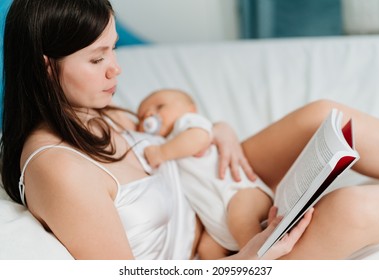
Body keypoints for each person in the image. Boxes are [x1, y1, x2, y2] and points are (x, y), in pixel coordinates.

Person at [0, 0, 315, 260]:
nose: (115, 68)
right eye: (97, 59)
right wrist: (248, 258)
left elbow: (174, 133)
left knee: (321, 115)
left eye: (113, 49)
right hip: (218, 250)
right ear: (47, 68)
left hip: (210, 196)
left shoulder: (95, 113)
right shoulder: (58, 168)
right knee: (354, 209)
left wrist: (220, 130)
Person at [137, 89, 274, 259]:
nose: (149, 114)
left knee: (241, 217)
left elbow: (199, 138)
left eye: (159, 107)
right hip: (217, 227)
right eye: (142, 117)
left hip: (241, 193)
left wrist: (162, 153)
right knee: (206, 249)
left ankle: (260, 260)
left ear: (191, 109)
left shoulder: (186, 125)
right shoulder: (163, 145)